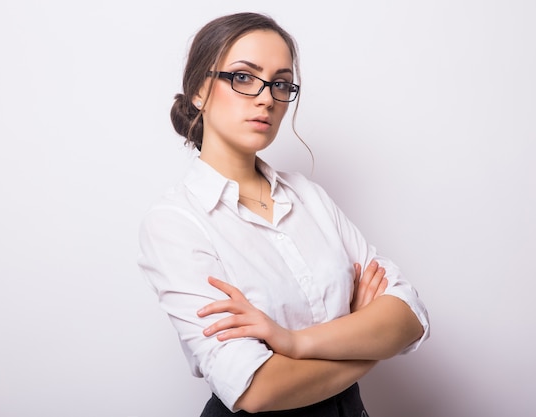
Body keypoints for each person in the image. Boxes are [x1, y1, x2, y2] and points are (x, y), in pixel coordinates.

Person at [137, 12, 430, 416]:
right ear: (199, 91)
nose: (266, 98)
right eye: (243, 77)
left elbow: (409, 317)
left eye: (280, 83)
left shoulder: (309, 197)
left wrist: (293, 342)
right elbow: (257, 389)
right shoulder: (176, 222)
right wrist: (369, 344)